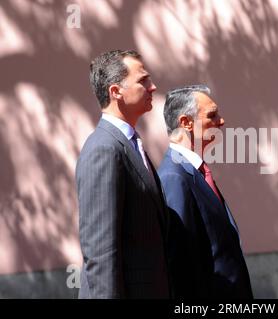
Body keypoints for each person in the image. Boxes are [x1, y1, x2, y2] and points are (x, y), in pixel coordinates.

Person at [76, 50, 170, 298]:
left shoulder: (129, 144)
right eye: (143, 80)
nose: (153, 87)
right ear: (115, 92)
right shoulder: (104, 149)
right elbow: (101, 252)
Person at [157, 85, 253, 299]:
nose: (221, 121)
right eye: (212, 115)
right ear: (186, 123)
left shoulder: (195, 170)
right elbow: (181, 263)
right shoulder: (174, 177)